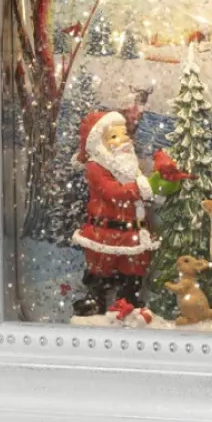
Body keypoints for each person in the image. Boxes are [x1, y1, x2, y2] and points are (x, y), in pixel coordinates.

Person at [71, 111, 160, 316]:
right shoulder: (95, 167)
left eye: (124, 133)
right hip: (105, 232)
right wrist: (142, 188)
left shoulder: (130, 165)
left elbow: (138, 195)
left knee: (133, 269)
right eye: (113, 136)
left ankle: (128, 302)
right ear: (99, 145)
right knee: (101, 267)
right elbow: (113, 192)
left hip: (133, 232)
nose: (124, 139)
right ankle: (96, 300)